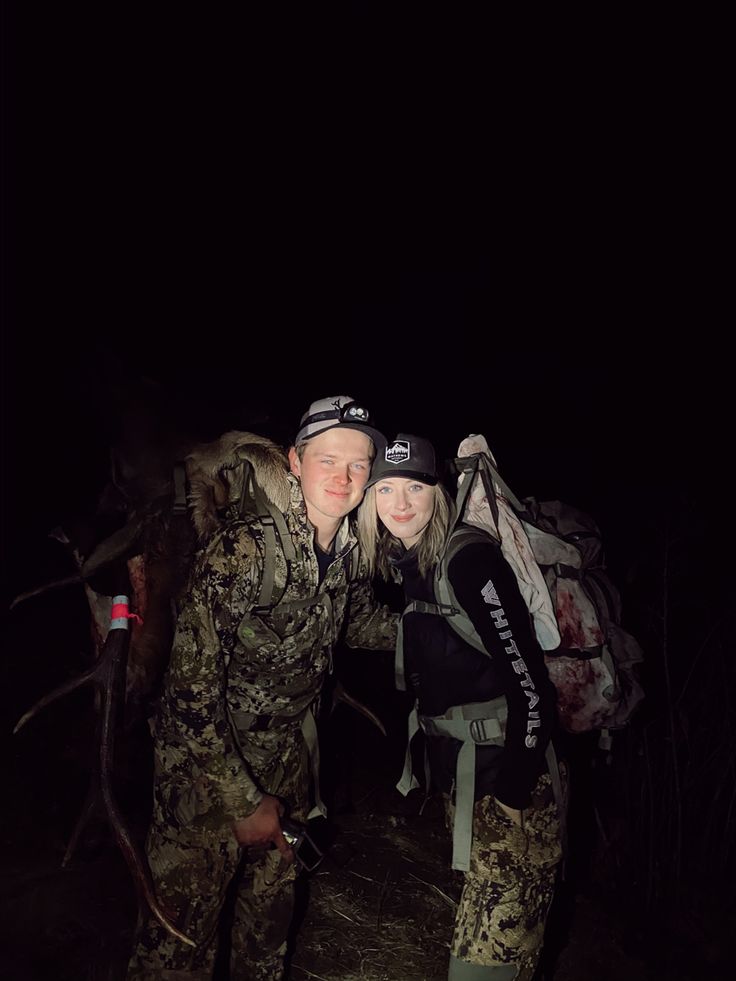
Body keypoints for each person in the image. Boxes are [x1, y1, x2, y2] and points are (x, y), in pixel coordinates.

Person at [127, 396, 398, 981]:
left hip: (287, 764)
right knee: (178, 946)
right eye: (328, 459)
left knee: (266, 937)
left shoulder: (346, 553)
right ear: (296, 462)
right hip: (204, 775)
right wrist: (243, 802)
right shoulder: (244, 550)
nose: (343, 477)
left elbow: (359, 624)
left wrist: (438, 629)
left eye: (358, 465)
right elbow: (189, 692)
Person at [357, 434, 565, 981]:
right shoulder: (410, 562)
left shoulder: (470, 561)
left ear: (438, 492)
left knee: (483, 967)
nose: (400, 504)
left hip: (515, 787)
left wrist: (514, 797)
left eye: (415, 487)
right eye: (385, 489)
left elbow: (531, 686)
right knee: (494, 955)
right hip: (472, 782)